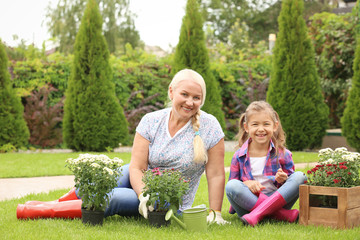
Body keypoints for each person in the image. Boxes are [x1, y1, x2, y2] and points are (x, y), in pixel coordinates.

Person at [17, 69, 228, 224]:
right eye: (185, 94)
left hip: (166, 198)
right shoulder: (151, 120)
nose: (190, 102)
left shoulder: (210, 127)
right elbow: (136, 167)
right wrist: (143, 193)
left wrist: (215, 213)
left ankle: (40, 211)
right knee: (102, 179)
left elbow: (217, 174)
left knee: (113, 198)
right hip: (140, 180)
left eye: (196, 97)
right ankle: (53, 202)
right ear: (171, 92)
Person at [225, 101, 307, 227]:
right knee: (231, 186)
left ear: (275, 126)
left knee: (300, 177)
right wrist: (247, 183)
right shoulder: (239, 156)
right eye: (255, 124)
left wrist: (284, 179)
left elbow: (290, 184)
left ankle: (257, 215)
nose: (261, 129)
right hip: (248, 202)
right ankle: (282, 215)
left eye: (266, 124)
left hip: (277, 200)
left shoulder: (283, 154)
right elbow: (234, 185)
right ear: (246, 127)